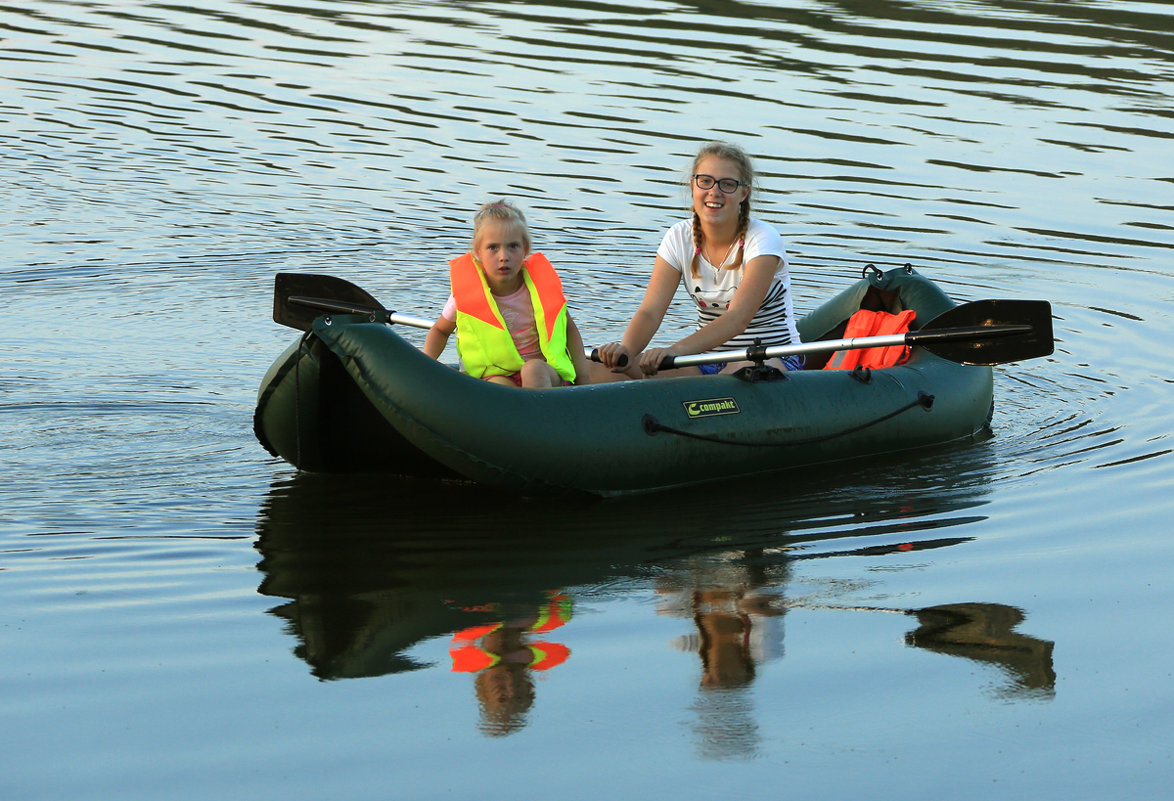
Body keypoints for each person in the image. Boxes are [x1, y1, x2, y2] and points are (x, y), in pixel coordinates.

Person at [594, 141, 802, 379]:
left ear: (744, 193)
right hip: (703, 359)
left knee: (738, 374)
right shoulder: (677, 237)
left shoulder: (764, 239)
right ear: (692, 185)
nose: (714, 192)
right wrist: (625, 352)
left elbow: (738, 318)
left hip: (767, 359)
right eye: (705, 181)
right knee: (601, 371)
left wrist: (674, 351)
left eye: (727, 184)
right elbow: (650, 312)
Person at [423, 199, 591, 388]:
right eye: (493, 247)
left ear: (525, 249)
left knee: (532, 369)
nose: (503, 256)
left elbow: (569, 329)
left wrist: (583, 379)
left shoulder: (540, 289)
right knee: (498, 385)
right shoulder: (463, 296)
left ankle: (542, 413)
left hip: (543, 373)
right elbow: (440, 330)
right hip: (495, 374)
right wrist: (424, 367)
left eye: (513, 246)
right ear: (478, 251)